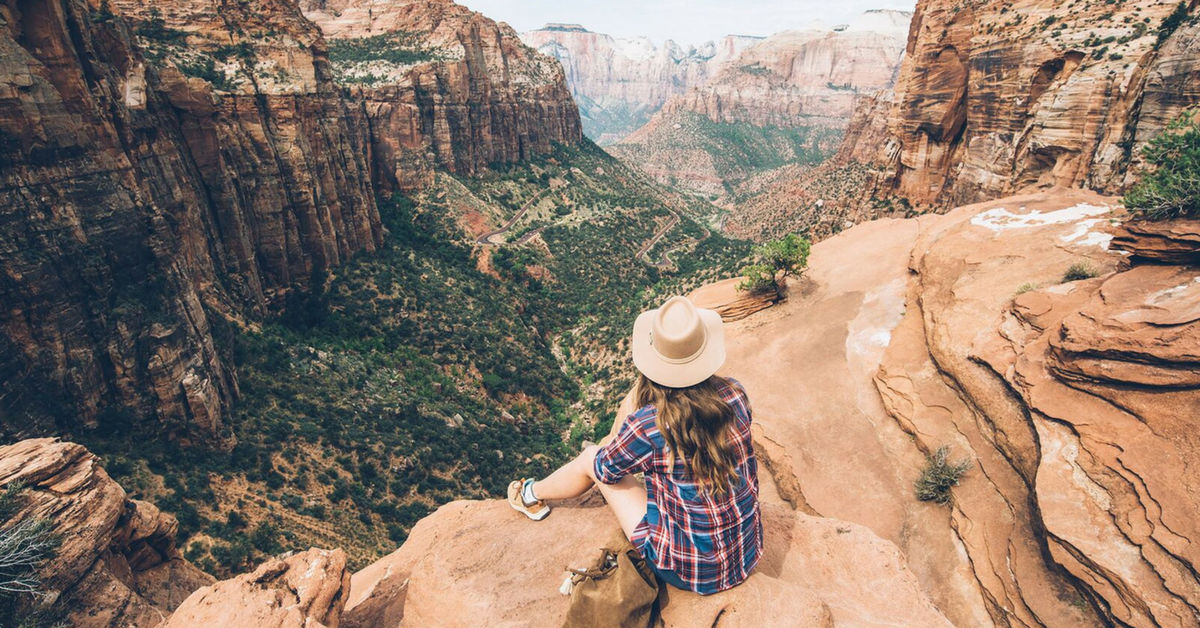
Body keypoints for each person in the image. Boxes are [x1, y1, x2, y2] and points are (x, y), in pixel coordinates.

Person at [507, 296, 763, 595]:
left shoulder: (650, 424)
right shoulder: (735, 393)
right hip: (745, 553)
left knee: (591, 457)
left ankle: (529, 494)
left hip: (689, 570)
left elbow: (605, 470)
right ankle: (530, 494)